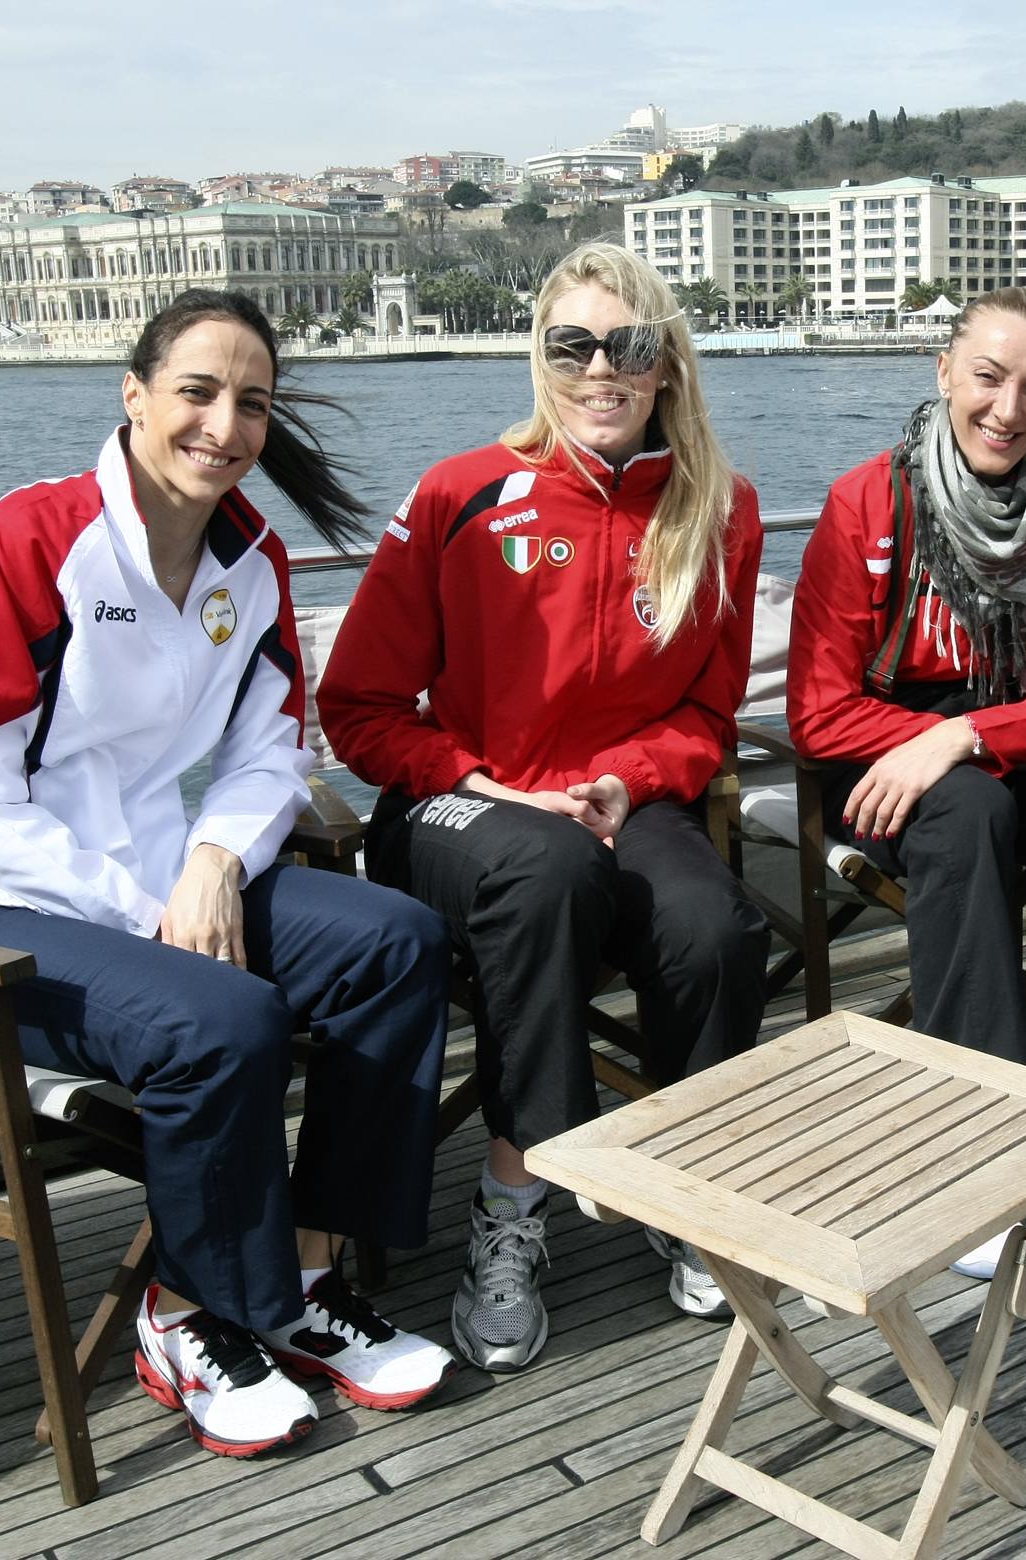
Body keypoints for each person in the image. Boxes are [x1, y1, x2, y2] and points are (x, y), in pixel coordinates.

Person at [0, 289, 456, 1458]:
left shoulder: (251, 559)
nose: (225, 426)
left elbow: (271, 752)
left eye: (253, 403)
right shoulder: (20, 547)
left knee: (397, 944)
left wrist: (210, 861)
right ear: (134, 394)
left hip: (153, 884)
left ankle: (305, 1279)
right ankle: (187, 1313)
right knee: (221, 1016)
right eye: (197, 392)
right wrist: (153, 909)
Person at [318, 243, 770, 1371]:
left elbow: (706, 715)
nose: (600, 369)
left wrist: (630, 779)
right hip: (458, 805)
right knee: (547, 871)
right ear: (542, 358)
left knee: (716, 927)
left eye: (627, 345)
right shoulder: (460, 493)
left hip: (618, 803)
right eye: (573, 345)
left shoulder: (720, 510)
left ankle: (687, 1191)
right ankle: (517, 1196)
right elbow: (358, 708)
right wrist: (475, 778)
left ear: (665, 361)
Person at [786, 287, 1026, 1278]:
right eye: (989, 377)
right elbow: (818, 714)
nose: (1009, 409)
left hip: (1013, 733)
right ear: (944, 370)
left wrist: (967, 735)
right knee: (965, 810)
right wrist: (931, 743)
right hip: (896, 750)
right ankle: (983, 1139)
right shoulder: (867, 504)